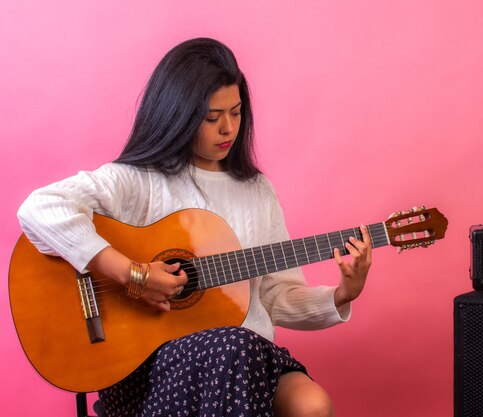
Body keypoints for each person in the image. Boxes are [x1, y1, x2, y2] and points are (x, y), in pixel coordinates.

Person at [17, 37, 372, 417]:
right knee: (234, 347)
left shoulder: (257, 191)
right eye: (212, 117)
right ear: (178, 113)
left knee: (311, 404)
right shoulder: (139, 180)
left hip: (245, 354)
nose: (228, 129)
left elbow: (275, 296)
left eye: (236, 113)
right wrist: (131, 273)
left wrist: (342, 294)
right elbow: (40, 208)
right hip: (150, 366)